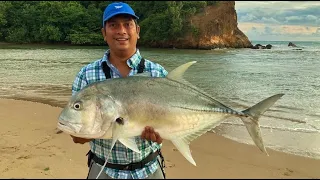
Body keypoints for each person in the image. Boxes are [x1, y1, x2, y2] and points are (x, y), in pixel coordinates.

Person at [70, 2, 168, 179]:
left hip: (149, 169)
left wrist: (163, 132)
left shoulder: (157, 73)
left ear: (137, 31)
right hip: (103, 170)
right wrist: (99, 124)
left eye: (127, 24)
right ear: (104, 34)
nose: (121, 30)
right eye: (113, 25)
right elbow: (76, 136)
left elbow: (171, 120)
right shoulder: (86, 75)